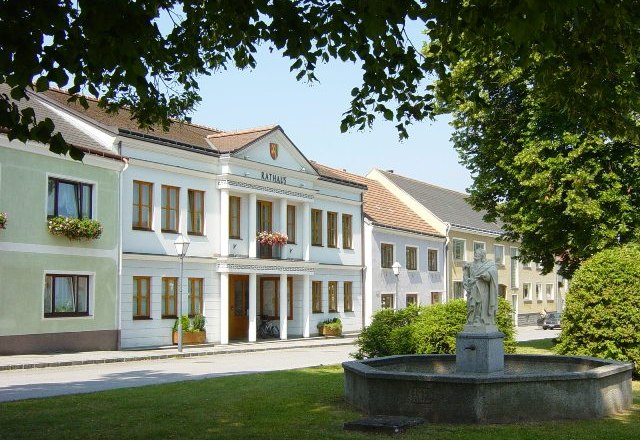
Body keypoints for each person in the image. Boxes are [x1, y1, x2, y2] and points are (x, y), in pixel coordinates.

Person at [462, 248, 499, 326]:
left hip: (483, 288)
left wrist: (486, 275)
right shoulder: (470, 265)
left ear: (482, 256)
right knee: (472, 305)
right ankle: (471, 320)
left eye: (478, 253)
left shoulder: (489, 264)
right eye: (475, 253)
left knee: (481, 304)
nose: (476, 254)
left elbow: (493, 273)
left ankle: (479, 319)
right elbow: (466, 277)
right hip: (472, 288)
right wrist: (465, 270)